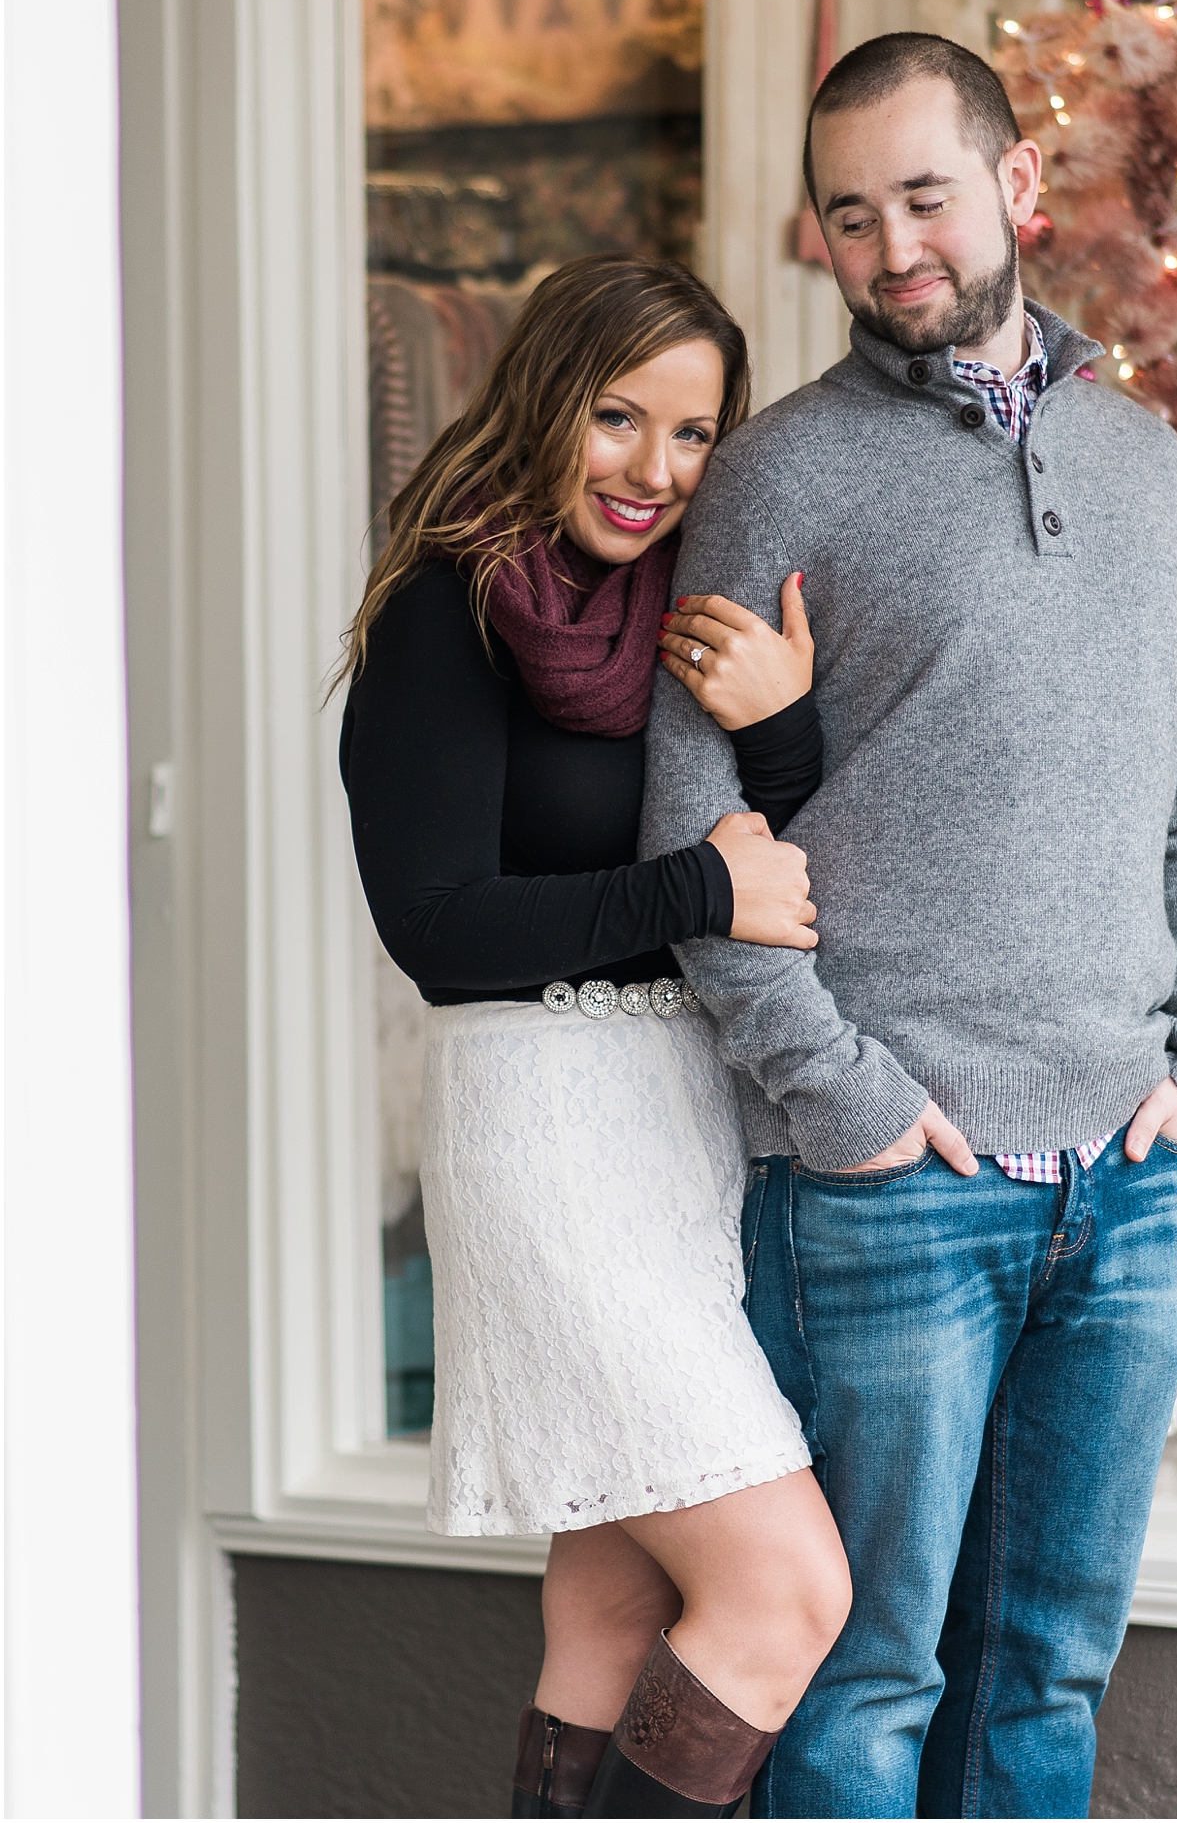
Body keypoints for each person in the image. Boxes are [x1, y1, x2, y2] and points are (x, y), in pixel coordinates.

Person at [645, 33, 1177, 1821]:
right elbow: (698, 828)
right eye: (852, 216)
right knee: (862, 1687)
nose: (894, 244)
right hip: (889, 1184)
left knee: (1045, 1672)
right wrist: (838, 1101)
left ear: (1015, 188)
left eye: (924, 195)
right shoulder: (775, 476)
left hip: (1122, 1179)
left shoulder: (1146, 466)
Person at [338, 254, 852, 1821]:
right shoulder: (450, 605)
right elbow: (436, 925)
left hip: (678, 1126)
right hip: (547, 1126)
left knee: (618, 1610)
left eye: (696, 435)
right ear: (547, 398)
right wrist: (697, 883)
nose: (655, 470)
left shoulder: (674, 609)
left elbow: (762, 828)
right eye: (620, 418)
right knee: (784, 1590)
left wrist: (780, 722)